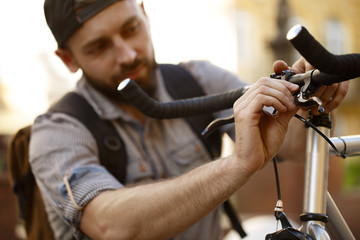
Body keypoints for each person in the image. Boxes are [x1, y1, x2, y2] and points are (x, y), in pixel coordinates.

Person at [29, 0, 349, 239]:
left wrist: (307, 104)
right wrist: (236, 164)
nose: (127, 54)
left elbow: (290, 147)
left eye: (131, 29)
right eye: (99, 47)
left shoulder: (198, 79)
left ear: (144, 12)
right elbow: (110, 225)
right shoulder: (57, 131)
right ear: (68, 59)